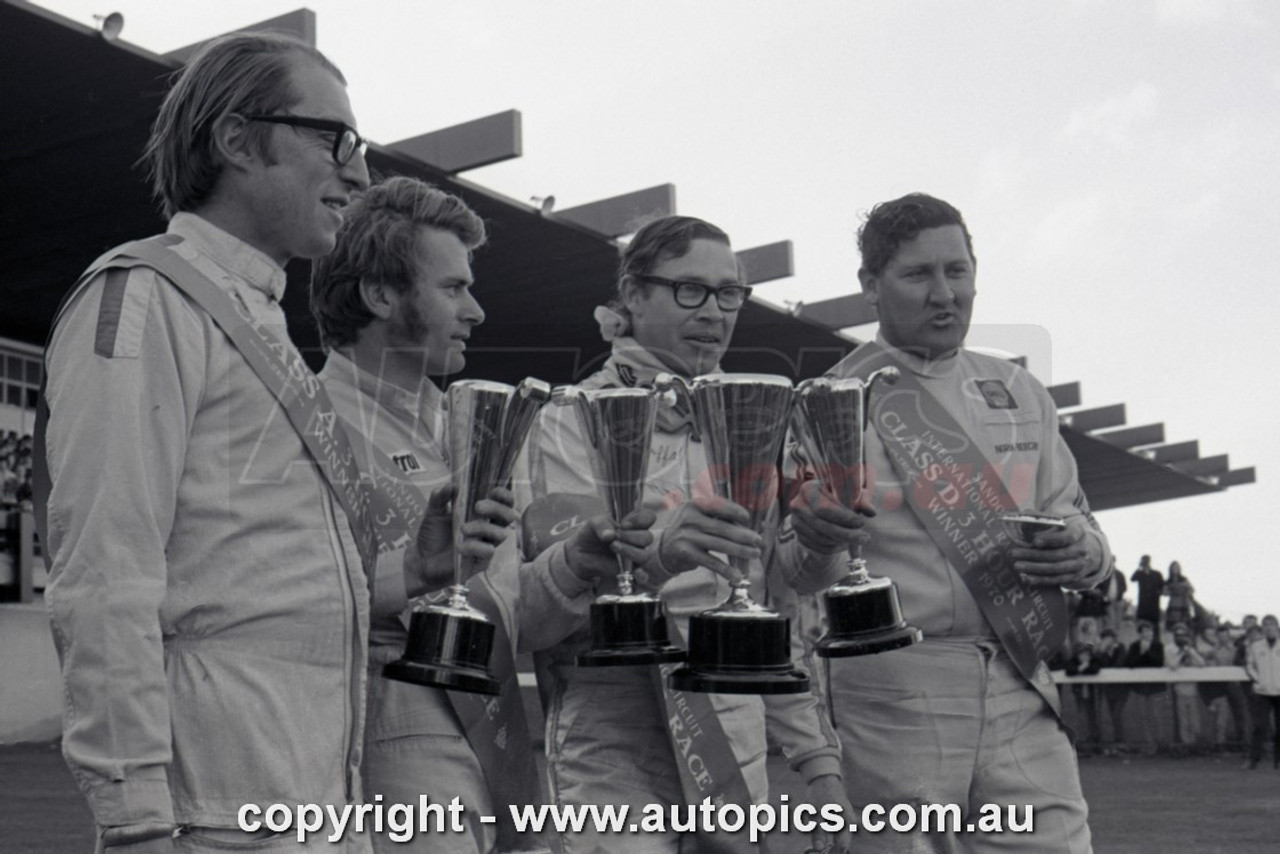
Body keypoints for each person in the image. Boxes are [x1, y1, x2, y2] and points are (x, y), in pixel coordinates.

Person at [33, 32, 389, 853]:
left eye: (359, 144)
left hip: (313, 806)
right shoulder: (144, 298)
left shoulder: (260, 322)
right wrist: (135, 820)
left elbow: (266, 582)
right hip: (214, 818)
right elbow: (105, 574)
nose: (359, 171)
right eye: (331, 137)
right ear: (235, 139)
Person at [310, 175, 654, 853]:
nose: (477, 312)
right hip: (375, 743)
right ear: (380, 294)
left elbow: (511, 616)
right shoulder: (305, 422)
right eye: (453, 288)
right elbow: (277, 600)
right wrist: (403, 575)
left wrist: (576, 565)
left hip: (501, 746)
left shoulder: (474, 428)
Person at [785, 193, 1112, 852]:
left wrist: (1088, 556)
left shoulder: (1020, 391)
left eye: (957, 271)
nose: (946, 294)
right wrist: (819, 537)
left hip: (1020, 677)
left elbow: (1079, 520)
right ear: (869, 286)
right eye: (919, 275)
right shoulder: (826, 403)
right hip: (893, 687)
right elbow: (796, 572)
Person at [515, 215, 852, 854]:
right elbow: (530, 616)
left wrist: (818, 764)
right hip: (610, 739)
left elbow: (774, 612)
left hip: (734, 739)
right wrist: (657, 559)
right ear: (632, 295)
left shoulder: (753, 421)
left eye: (730, 294)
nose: (715, 312)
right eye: (690, 289)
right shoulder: (560, 422)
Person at [1244, 614, 1280, 769]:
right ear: (1263, 627)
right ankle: (1254, 760)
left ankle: (1277, 761)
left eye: (1272, 624)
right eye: (1266, 624)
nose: (1269, 627)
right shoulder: (1256, 646)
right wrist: (1258, 680)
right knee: (1259, 726)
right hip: (1262, 692)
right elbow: (1249, 666)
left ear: (1277, 627)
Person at [1127, 620, 1168, 756]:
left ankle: (1161, 744)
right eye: (1145, 631)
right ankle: (1150, 745)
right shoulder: (1134, 647)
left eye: (1149, 631)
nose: (1148, 634)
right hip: (1140, 688)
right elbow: (1130, 664)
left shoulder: (1158, 646)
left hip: (1157, 688)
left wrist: (1147, 652)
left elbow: (1158, 663)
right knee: (1143, 717)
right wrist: (1141, 653)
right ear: (1140, 634)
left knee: (1157, 716)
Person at [1165, 622, 1206, 754]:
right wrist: (1182, 653)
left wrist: (1190, 652)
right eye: (1178, 635)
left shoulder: (1190, 648)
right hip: (1178, 688)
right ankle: (1186, 745)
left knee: (1195, 721)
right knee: (1183, 721)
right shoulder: (1169, 649)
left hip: (1192, 688)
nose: (1181, 637)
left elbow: (1201, 663)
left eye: (1183, 634)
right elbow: (1172, 665)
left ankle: (1194, 745)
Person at [1096, 628, 1130, 754]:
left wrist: (1109, 652)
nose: (1107, 641)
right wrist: (1102, 651)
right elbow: (1098, 663)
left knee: (1117, 714)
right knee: (1111, 715)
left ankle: (1120, 741)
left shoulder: (1121, 648)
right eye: (1105, 638)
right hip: (1109, 688)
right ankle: (1116, 742)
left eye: (1109, 638)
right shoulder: (1102, 651)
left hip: (1121, 688)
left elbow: (1120, 664)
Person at [1131, 555, 1164, 640]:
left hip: (1154, 606)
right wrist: (1139, 567)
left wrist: (1157, 593)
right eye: (1143, 561)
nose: (1145, 563)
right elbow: (1132, 579)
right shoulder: (1140, 574)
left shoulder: (1157, 574)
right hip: (1143, 606)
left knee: (1155, 630)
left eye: (1146, 561)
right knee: (1143, 629)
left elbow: (1162, 587)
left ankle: (1155, 647)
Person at [1163, 561, 1195, 635]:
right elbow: (1164, 592)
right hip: (1173, 605)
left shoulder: (1184, 579)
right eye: (1173, 568)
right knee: (1174, 628)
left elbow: (1192, 589)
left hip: (1183, 604)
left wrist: (1187, 591)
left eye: (1176, 567)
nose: (1175, 569)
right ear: (1170, 569)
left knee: (1185, 627)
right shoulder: (1168, 581)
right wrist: (1172, 591)